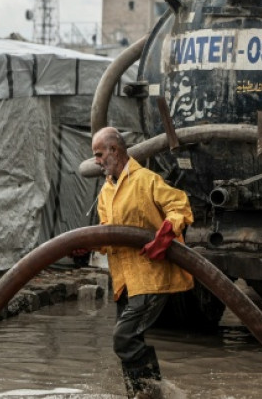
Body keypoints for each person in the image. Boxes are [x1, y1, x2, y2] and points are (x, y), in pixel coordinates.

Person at [88, 127, 194, 398]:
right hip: (124, 281)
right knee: (129, 341)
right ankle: (142, 393)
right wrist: (87, 245)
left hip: (150, 277)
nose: (96, 161)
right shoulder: (106, 192)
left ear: (114, 150)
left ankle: (150, 392)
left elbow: (180, 205)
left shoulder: (146, 180)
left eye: (99, 154)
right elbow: (107, 233)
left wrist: (166, 234)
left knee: (123, 339)